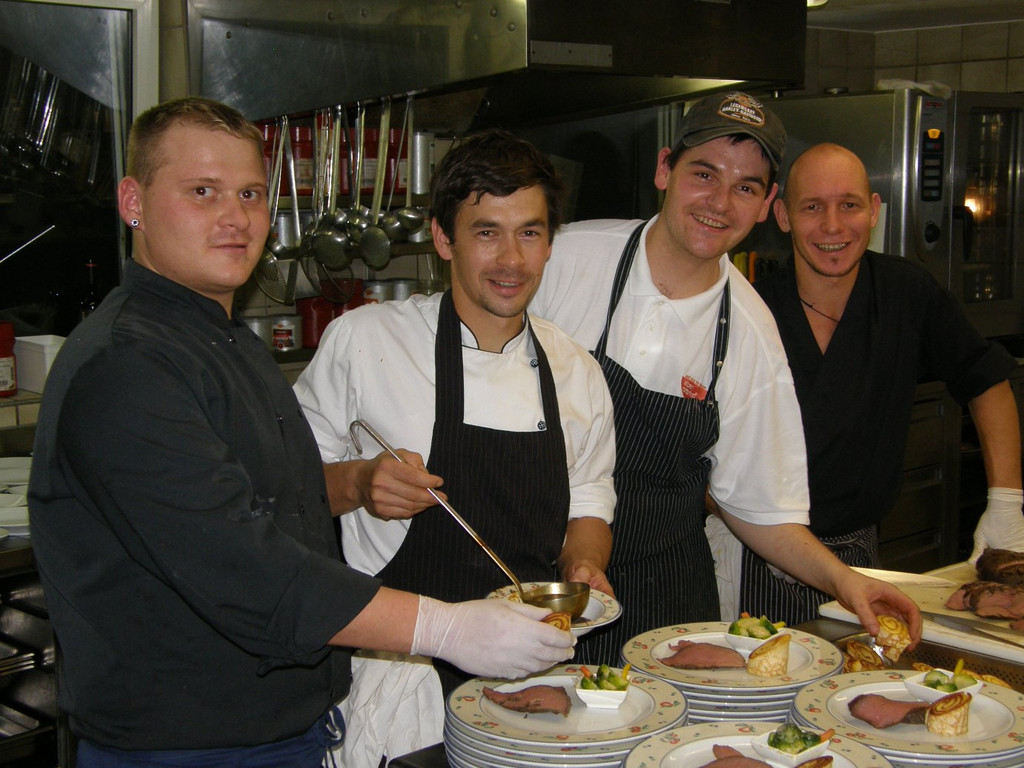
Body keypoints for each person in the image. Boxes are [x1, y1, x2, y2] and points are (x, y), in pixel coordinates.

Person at [26, 98, 576, 768]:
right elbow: (245, 568)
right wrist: (446, 627)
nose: (235, 217)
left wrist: (358, 484)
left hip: (278, 733)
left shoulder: (223, 342)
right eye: (202, 192)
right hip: (186, 750)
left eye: (251, 194)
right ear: (133, 202)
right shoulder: (127, 366)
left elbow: (289, 508)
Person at [529, 90, 922, 662]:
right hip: (531, 578)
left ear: (766, 206)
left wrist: (846, 581)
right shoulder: (563, 259)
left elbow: (760, 506)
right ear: (665, 169)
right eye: (704, 174)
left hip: (662, 601)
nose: (719, 202)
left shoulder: (751, 331)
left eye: (746, 187)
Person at [293, 129, 616, 764]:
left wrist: (583, 565)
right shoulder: (366, 341)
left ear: (550, 242)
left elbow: (589, 498)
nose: (511, 259)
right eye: (486, 232)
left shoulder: (576, 369)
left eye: (529, 232)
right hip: (401, 685)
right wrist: (359, 483)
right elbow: (285, 492)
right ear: (444, 239)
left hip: (528, 684)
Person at [727, 141, 1024, 626]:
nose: (832, 226)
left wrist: (1007, 502)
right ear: (782, 215)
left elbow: (986, 379)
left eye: (849, 205)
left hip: (860, 554)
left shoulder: (906, 293)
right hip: (753, 558)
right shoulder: (748, 309)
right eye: (812, 207)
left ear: (874, 211)